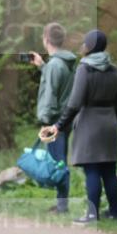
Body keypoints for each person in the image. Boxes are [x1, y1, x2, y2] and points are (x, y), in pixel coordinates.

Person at [41, 29, 117, 225]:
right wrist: (115, 123)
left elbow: (74, 103)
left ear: (89, 46)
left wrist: (59, 125)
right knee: (109, 170)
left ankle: (92, 215)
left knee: (92, 169)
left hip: (89, 123)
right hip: (109, 123)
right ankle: (114, 213)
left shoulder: (85, 69)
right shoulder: (114, 70)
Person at [30, 23, 76, 214]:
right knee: (59, 161)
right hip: (64, 119)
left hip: (54, 121)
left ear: (46, 40)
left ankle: (62, 206)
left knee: (58, 163)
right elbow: (57, 82)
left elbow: (50, 95)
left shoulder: (55, 65)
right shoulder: (64, 62)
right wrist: (43, 66)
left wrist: (45, 121)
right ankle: (61, 202)